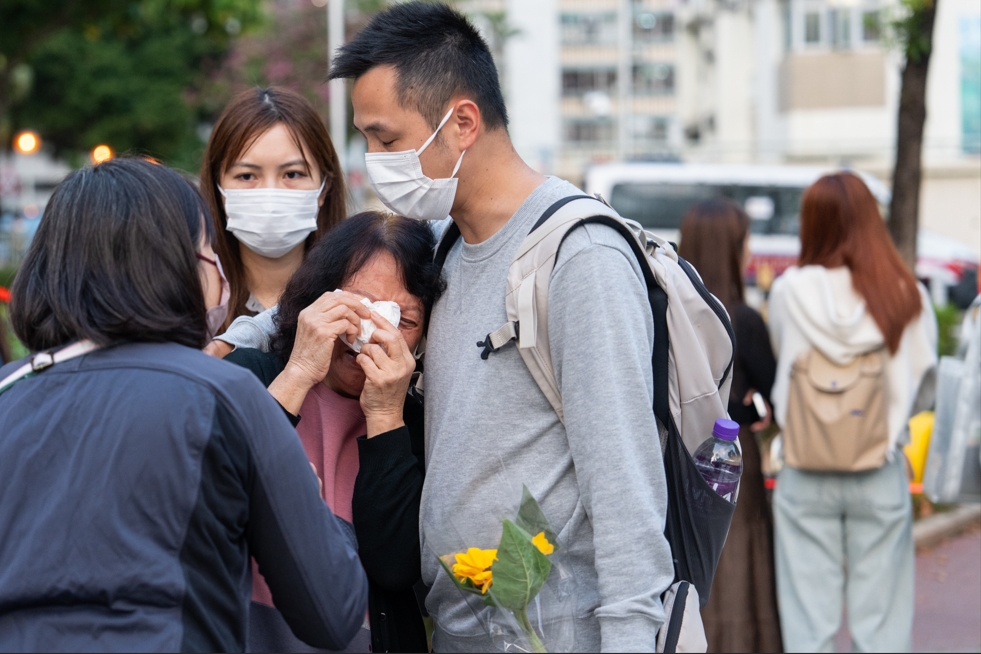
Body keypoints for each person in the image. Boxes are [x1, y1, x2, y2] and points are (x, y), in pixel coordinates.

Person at [331, 3, 674, 651]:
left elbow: (627, 499)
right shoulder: (446, 250)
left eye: (386, 139)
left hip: (555, 634)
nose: (374, 160)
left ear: (461, 122)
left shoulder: (577, 257)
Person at [0, 158, 368, 652]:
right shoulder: (222, 395)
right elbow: (332, 612)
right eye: (208, 251)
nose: (219, 269)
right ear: (179, 269)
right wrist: (316, 509)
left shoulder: (9, 391)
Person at [225, 211, 442, 653]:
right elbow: (216, 499)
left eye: (403, 320)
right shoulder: (247, 377)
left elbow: (395, 569)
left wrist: (385, 415)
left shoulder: (422, 424)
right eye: (356, 306)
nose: (370, 333)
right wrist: (300, 371)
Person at [767, 172, 937, 652]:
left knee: (808, 627)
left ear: (812, 224)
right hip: (878, 469)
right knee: (881, 628)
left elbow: (784, 361)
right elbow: (924, 389)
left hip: (805, 467)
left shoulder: (788, 292)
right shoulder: (906, 295)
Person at [679, 199, 782, 653]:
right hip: (731, 460)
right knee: (741, 564)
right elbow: (771, 389)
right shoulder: (742, 319)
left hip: (679, 460)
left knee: (691, 563)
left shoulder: (667, 311)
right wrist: (746, 408)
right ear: (734, 248)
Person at [198, 86, 346, 354]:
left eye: (292, 174)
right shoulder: (191, 305)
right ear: (219, 188)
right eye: (246, 176)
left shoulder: (358, 294)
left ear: (323, 188)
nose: (270, 193)